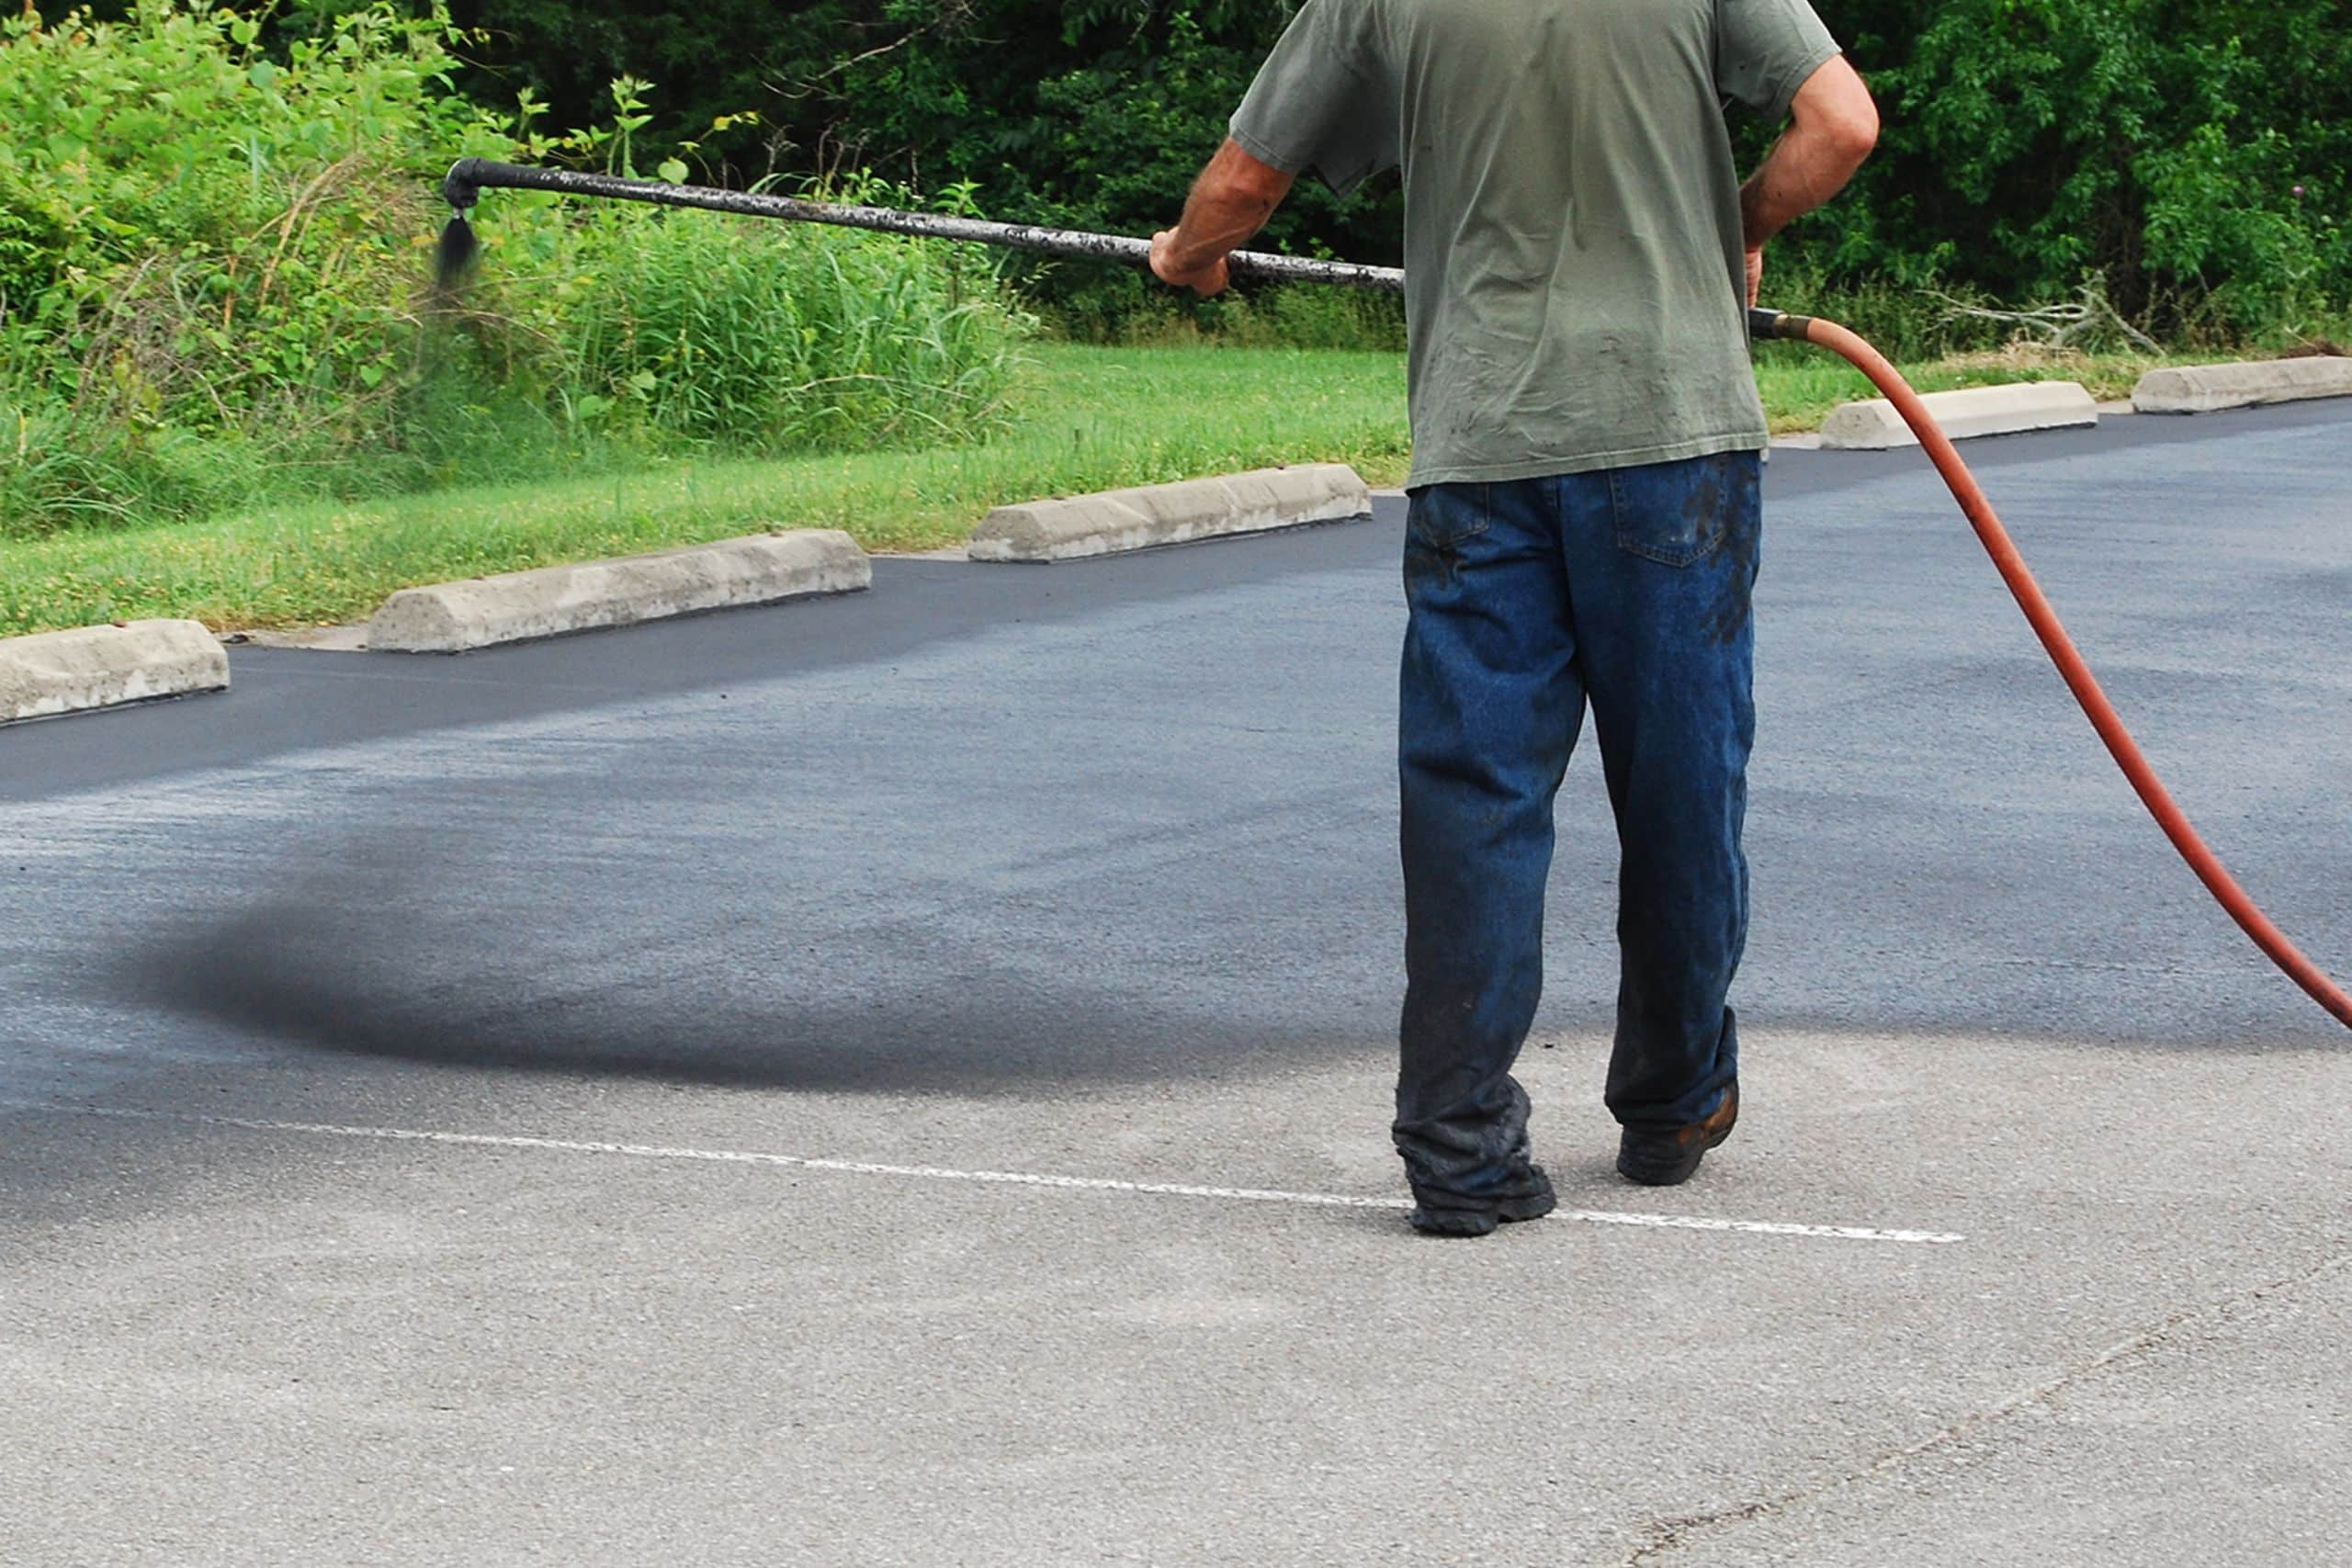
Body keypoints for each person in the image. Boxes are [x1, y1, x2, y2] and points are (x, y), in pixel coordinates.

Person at [1151, 0, 1879, 1235]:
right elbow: (1841, 125)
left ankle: (1459, 1147)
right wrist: (1734, 226)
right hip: (1672, 442)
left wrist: (1186, 255)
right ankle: (1673, 1101)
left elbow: (1241, 180)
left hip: (1484, 449)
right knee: (1682, 785)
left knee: (1471, 796)